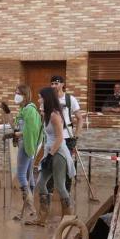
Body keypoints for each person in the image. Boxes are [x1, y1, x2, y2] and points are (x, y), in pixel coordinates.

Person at [26, 87, 76, 226]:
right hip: (49, 151)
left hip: (59, 152)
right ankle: (42, 218)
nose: (38, 99)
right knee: (41, 183)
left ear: (46, 98)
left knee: (60, 185)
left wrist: (50, 156)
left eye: (40, 97)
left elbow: (60, 138)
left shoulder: (55, 115)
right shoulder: (46, 114)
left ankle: (68, 218)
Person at [6, 85, 41, 219]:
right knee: (29, 176)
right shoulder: (23, 110)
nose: (16, 95)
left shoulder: (30, 110)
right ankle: (29, 209)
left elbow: (31, 131)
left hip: (27, 145)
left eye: (18, 93)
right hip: (24, 144)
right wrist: (8, 114)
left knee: (21, 175)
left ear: (25, 95)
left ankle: (31, 206)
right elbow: (15, 127)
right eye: (15, 93)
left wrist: (18, 134)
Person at [47, 75, 82, 195]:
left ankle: (66, 193)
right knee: (50, 162)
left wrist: (75, 137)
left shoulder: (70, 99)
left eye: (56, 83)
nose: (53, 86)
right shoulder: (48, 99)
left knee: (67, 163)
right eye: (52, 84)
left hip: (67, 137)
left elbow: (80, 119)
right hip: (52, 138)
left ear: (62, 84)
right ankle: (49, 192)